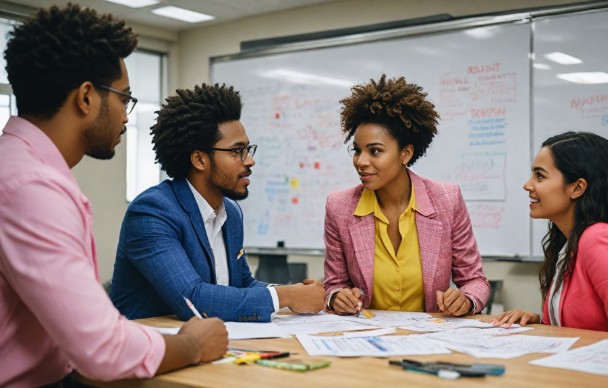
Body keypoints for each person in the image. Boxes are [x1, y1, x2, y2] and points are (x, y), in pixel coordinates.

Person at [0, 4, 227, 386]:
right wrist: (192, 345)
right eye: (124, 97)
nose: (126, 114)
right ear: (86, 97)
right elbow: (102, 349)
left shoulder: (22, 168)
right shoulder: (30, 187)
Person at [110, 83, 325, 322]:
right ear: (200, 159)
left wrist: (299, 294)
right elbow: (192, 300)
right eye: (237, 151)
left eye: (248, 149)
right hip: (150, 351)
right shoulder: (152, 212)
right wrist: (286, 296)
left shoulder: (231, 214)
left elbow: (243, 284)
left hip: (212, 346)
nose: (250, 161)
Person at [323, 75, 490, 316]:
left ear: (406, 153)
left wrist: (466, 300)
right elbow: (333, 284)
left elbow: (476, 281)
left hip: (428, 341)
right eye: (357, 150)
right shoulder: (339, 207)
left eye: (375, 151)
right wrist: (337, 297)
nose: (361, 161)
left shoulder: (447, 200)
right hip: (366, 341)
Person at [491, 131, 608, 336]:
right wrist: (541, 323)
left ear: (577, 187)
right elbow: (587, 326)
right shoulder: (570, 241)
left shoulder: (600, 239)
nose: (528, 185)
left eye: (540, 175)